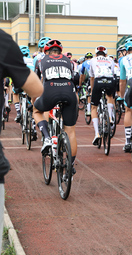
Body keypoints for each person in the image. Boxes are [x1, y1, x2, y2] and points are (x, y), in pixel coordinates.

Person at [0, 28, 43, 251]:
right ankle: (43, 131)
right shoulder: (4, 42)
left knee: (15, 96)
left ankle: (16, 109)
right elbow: (36, 87)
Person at [34, 39, 78, 177]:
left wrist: (34, 99)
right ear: (61, 51)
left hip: (50, 91)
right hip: (69, 93)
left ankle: (47, 138)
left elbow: (37, 82)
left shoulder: (40, 59)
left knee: (36, 111)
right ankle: (70, 167)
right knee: (70, 130)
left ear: (46, 51)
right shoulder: (69, 60)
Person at [89, 45, 117, 145]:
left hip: (98, 80)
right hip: (109, 80)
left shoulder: (93, 60)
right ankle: (110, 117)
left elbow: (92, 77)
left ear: (96, 54)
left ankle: (97, 133)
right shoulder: (110, 60)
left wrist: (92, 91)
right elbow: (113, 73)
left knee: (93, 107)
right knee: (109, 97)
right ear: (106, 54)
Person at [79, 52, 93, 116]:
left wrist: (81, 83)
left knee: (88, 94)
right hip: (100, 77)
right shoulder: (94, 61)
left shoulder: (84, 63)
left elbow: (82, 75)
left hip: (90, 78)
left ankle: (89, 110)